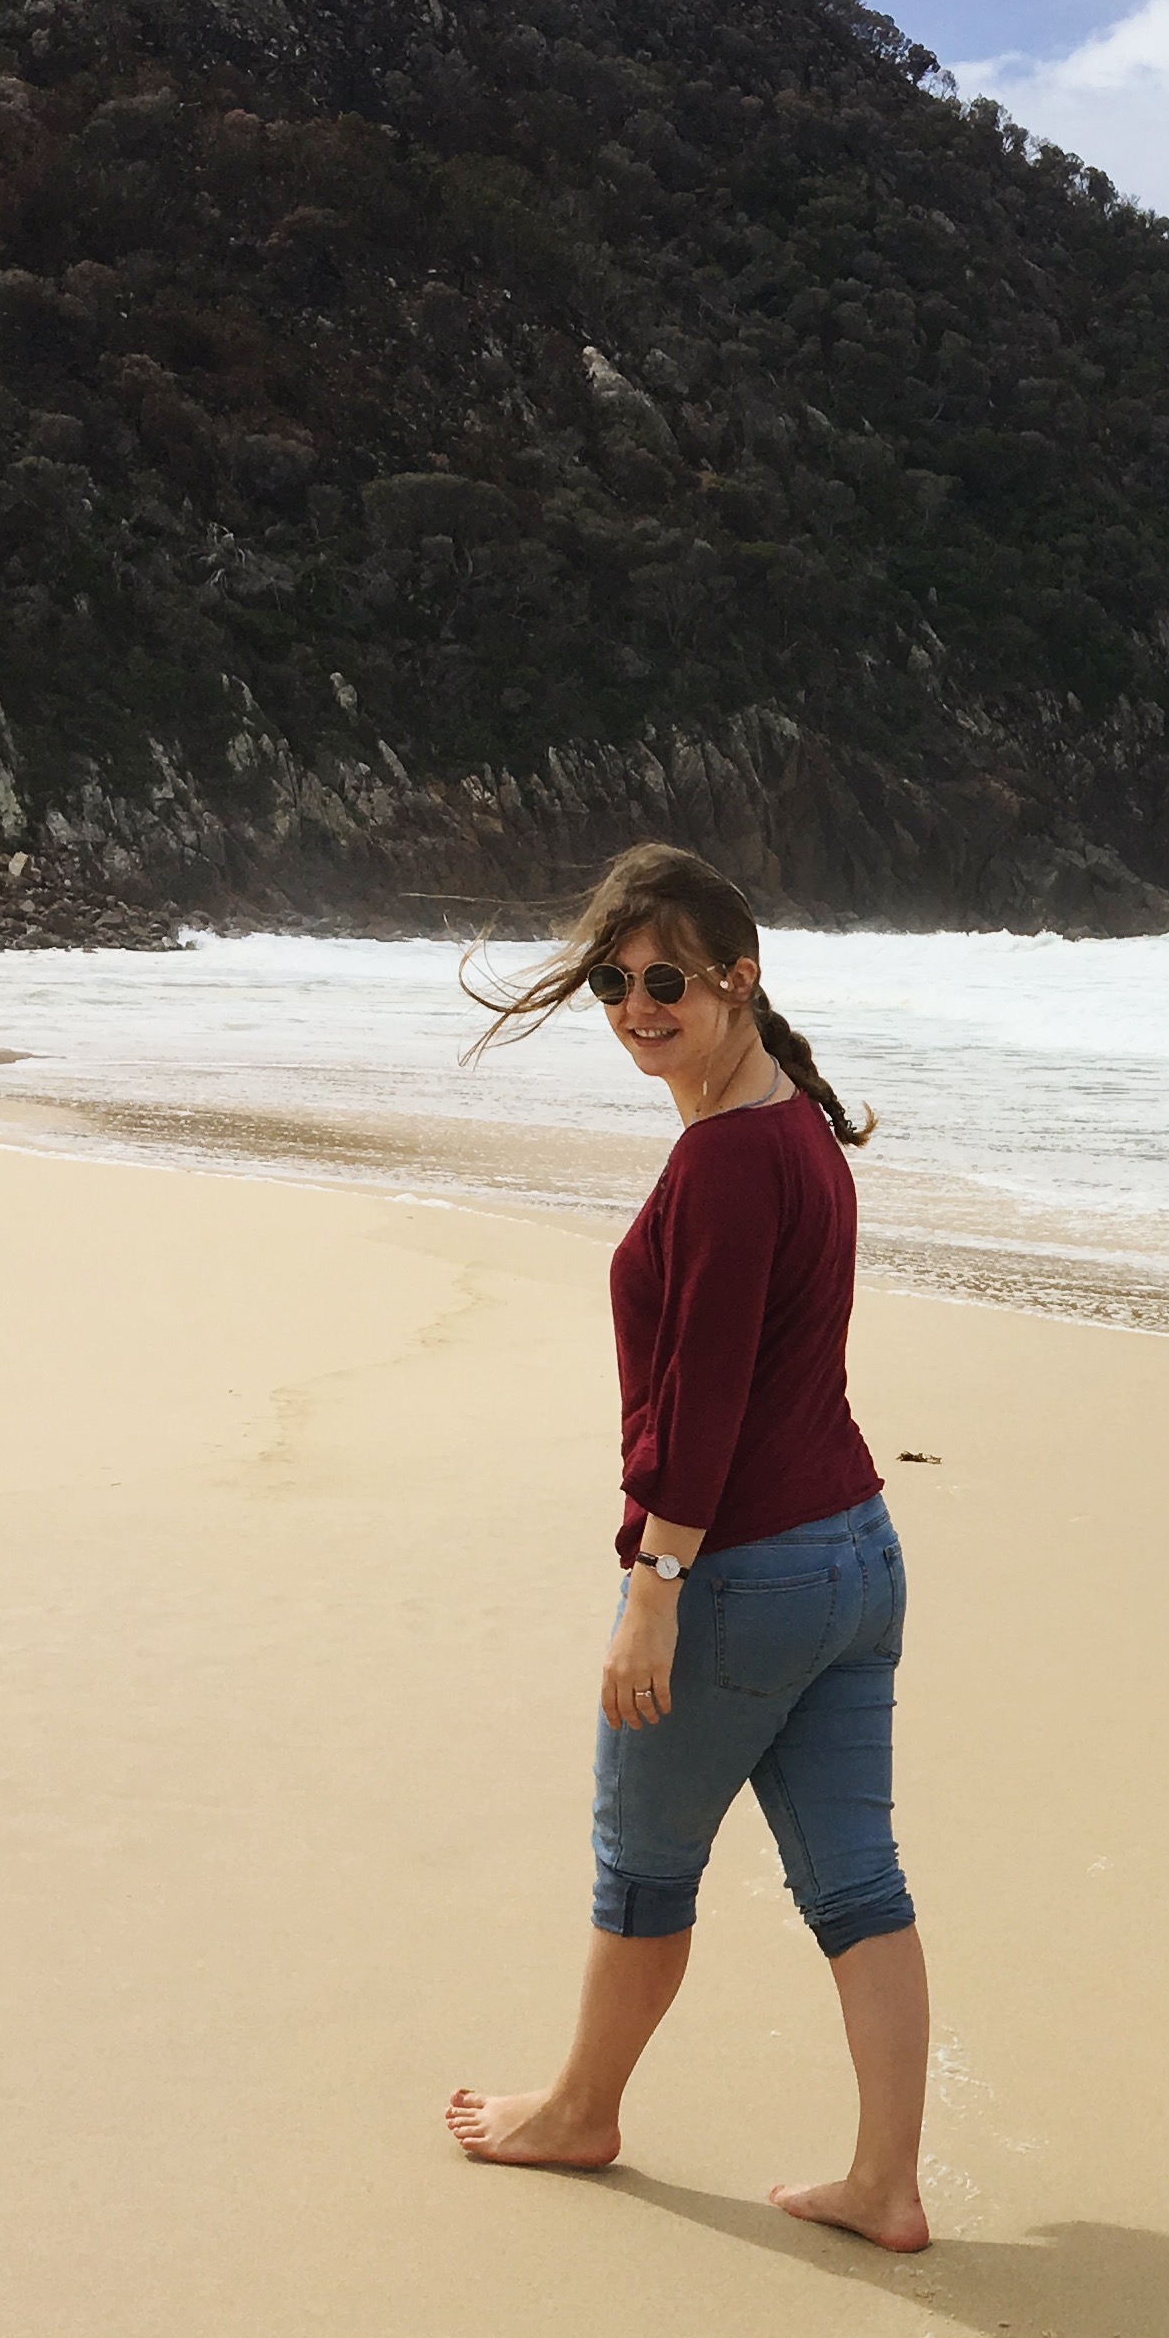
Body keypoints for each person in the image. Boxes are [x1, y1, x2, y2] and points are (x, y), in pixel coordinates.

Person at [442, 842, 930, 2252]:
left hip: (743, 1576)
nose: (637, 1009)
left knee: (643, 1871)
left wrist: (654, 1587)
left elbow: (706, 1401)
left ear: (739, 980)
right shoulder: (798, 1128)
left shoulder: (724, 1160)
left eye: (666, 983)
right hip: (856, 1560)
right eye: (613, 984)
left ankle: (578, 2111)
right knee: (858, 1883)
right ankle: (886, 2184)